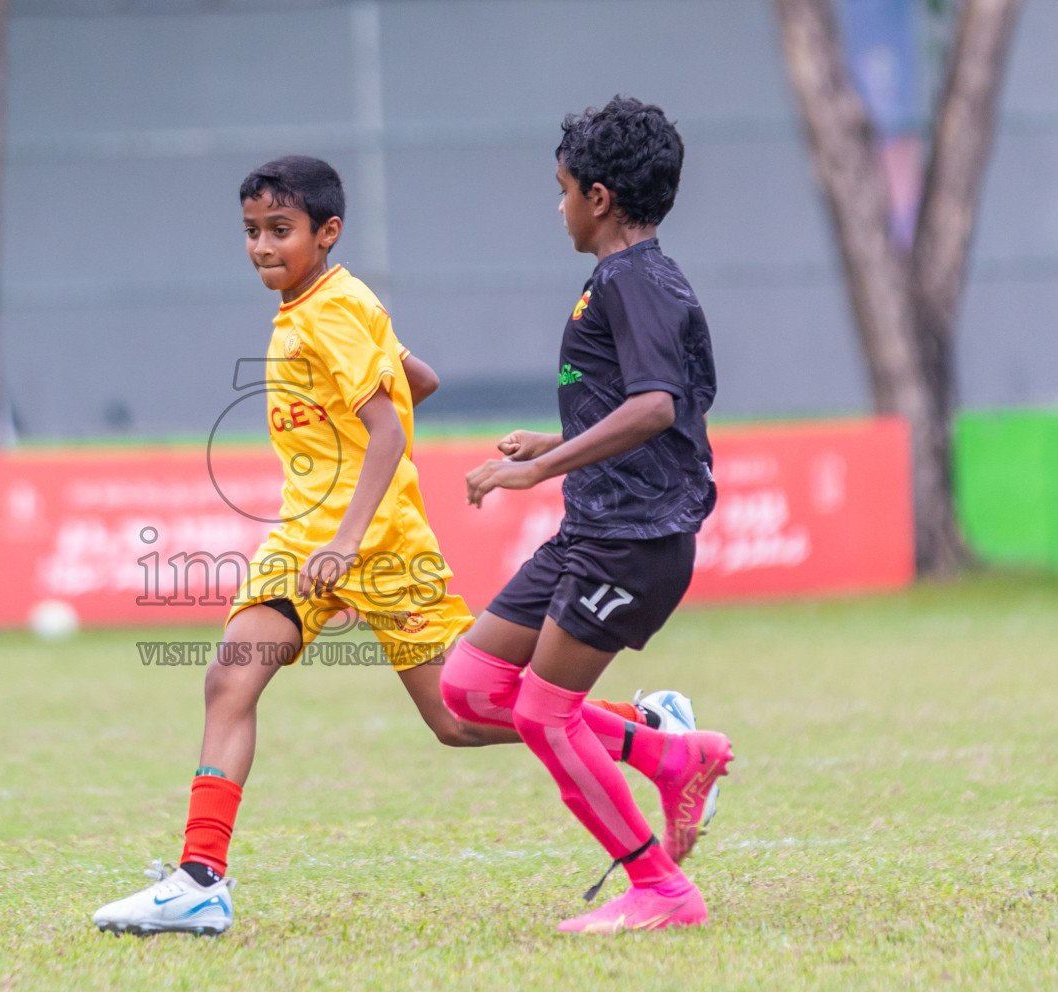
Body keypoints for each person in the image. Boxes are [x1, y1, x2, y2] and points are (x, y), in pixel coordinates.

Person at [92, 154, 704, 936]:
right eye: (250, 232)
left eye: (280, 231)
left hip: (375, 544)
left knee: (457, 717)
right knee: (227, 680)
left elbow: (387, 428)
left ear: (327, 232)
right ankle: (200, 877)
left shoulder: (332, 310)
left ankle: (645, 731)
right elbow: (419, 381)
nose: (260, 247)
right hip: (303, 538)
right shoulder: (331, 300)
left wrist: (347, 540)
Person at [439, 97, 732, 934]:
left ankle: (662, 893)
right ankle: (673, 753)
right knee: (471, 688)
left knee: (542, 713)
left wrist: (540, 471)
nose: (558, 204)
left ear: (597, 197)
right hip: (594, 530)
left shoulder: (634, 279)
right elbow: (626, 402)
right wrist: (551, 440)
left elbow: (653, 407)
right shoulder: (624, 277)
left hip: (632, 540)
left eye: (562, 188)